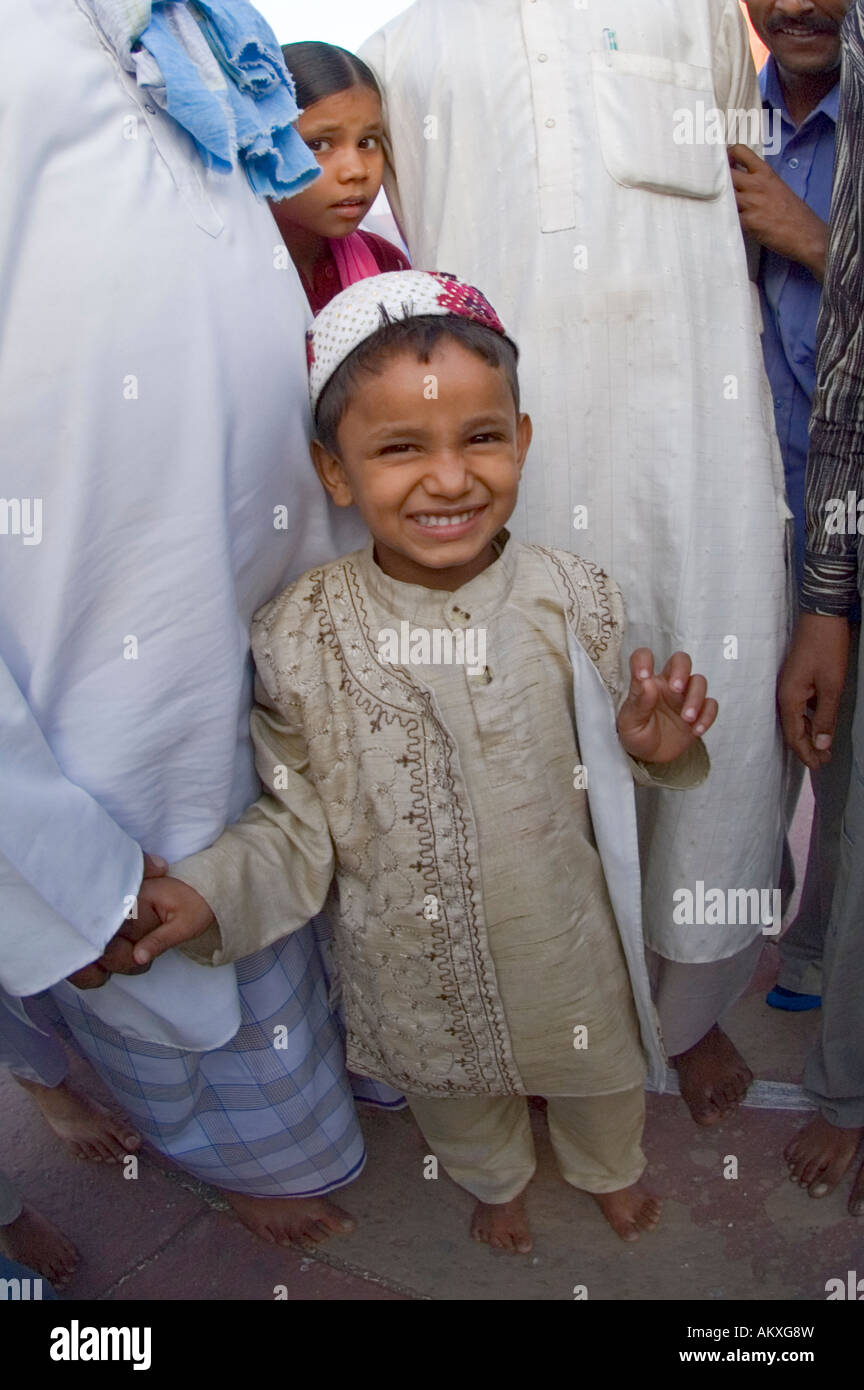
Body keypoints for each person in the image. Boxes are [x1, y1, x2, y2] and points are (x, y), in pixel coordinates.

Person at [129, 271, 718, 1252]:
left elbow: (624, 775)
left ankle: (607, 1168)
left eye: (480, 438)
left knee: (598, 1073)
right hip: (411, 965)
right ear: (335, 471)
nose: (449, 479)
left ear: (521, 443)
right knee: (455, 1095)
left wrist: (654, 747)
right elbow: (296, 821)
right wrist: (209, 896)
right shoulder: (299, 635)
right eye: (401, 449)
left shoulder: (575, 600)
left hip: (561, 940)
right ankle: (497, 1181)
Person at [0, 0, 399, 1251]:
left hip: (261, 619)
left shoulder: (200, 26)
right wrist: (58, 869)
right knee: (152, 938)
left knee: (305, 867)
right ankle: (178, 1139)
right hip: (97, 685)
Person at [358, 1, 789, 1127]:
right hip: (517, 459)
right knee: (532, 734)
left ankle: (688, 1012)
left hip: (696, 438)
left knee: (709, 692)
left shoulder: (695, 8)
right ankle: (564, 1020)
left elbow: (740, 178)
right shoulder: (403, 49)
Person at [736, 0, 854, 1014]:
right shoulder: (721, 115)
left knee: (846, 763)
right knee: (754, 737)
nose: (800, 3)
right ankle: (750, 945)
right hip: (748, 503)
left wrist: (821, 244)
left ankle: (824, 962)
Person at [778, 0, 864, 1216]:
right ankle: (807, 955)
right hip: (778, 497)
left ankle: (847, 1086)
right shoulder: (706, 121)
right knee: (816, 758)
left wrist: (816, 242)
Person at [272, 42, 409, 312]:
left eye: (367, 142)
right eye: (318, 145)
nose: (356, 171)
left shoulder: (387, 266)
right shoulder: (223, 274)